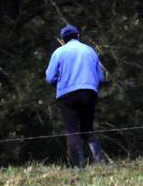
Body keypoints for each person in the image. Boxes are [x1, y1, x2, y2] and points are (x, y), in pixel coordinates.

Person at [45, 24, 108, 168]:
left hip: (67, 95)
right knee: (88, 129)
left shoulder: (58, 52)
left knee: (72, 130)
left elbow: (49, 78)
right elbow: (101, 78)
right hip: (89, 92)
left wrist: (60, 82)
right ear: (78, 35)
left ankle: (79, 166)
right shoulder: (90, 51)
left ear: (63, 39)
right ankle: (99, 162)